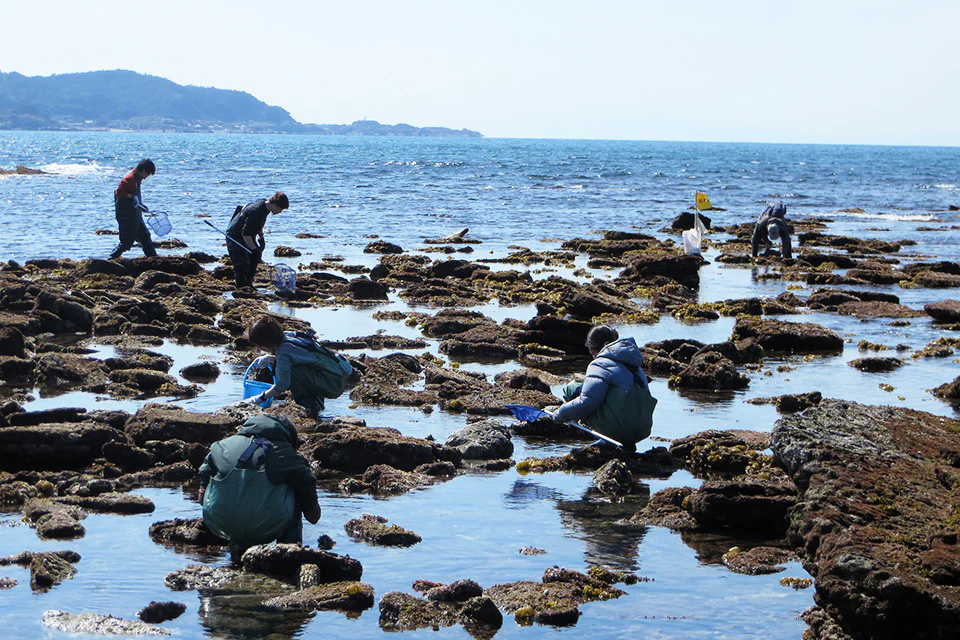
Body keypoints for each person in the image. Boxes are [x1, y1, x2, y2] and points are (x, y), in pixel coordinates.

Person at [198, 414, 321, 561]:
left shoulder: (221, 445)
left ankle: (238, 550)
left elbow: (202, 494)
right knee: (294, 494)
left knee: (232, 494)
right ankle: (288, 554)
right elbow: (311, 509)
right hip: (264, 525)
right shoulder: (286, 454)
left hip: (220, 523)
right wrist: (311, 509)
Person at [550, 325, 657, 453]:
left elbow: (586, 402)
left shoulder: (599, 364)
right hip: (642, 429)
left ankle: (609, 439)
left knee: (572, 389)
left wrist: (559, 414)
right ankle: (620, 442)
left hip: (620, 429)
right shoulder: (634, 364)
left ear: (593, 349)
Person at [244, 315, 353, 419]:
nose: (260, 348)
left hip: (332, 384)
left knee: (291, 372)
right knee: (288, 368)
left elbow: (281, 386)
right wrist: (269, 358)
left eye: (260, 345)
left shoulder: (283, 352)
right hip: (335, 374)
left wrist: (259, 398)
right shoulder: (289, 336)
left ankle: (310, 407)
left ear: (266, 342)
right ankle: (316, 405)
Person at [226, 191, 289, 289]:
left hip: (246, 234)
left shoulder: (265, 204)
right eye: (280, 209)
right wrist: (254, 250)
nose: (280, 212)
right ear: (274, 205)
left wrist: (261, 237)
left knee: (253, 261)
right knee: (242, 264)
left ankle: (249, 285)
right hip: (235, 236)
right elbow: (245, 234)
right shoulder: (256, 211)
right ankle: (241, 288)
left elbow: (259, 223)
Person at [109, 159, 157, 259]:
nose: (147, 176)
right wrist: (132, 197)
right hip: (126, 216)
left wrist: (141, 204)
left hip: (135, 215)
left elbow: (135, 198)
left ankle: (154, 259)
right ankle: (111, 259)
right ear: (143, 170)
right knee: (126, 242)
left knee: (145, 237)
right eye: (148, 173)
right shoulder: (130, 178)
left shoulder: (137, 179)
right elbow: (119, 192)